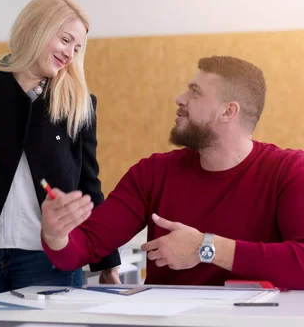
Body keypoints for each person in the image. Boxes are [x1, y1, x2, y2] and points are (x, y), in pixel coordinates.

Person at [41, 56, 304, 289]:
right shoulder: (153, 173)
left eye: (195, 92)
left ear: (228, 111)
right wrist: (55, 234)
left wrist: (206, 247)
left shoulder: (290, 171)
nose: (180, 99)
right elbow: (83, 247)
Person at [0, 0, 121, 301]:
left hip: (49, 255)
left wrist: (106, 262)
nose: (70, 54)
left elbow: (88, 185)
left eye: (77, 47)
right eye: (65, 40)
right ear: (37, 29)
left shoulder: (79, 103)